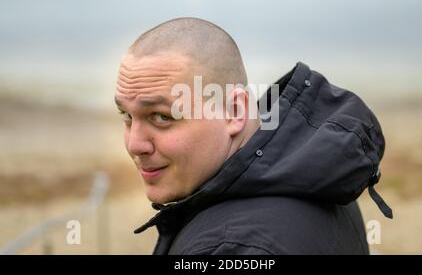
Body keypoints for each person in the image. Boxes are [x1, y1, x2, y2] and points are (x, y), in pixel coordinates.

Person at [114, 17, 392, 255]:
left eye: (162, 117)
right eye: (127, 116)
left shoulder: (231, 248)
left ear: (235, 112)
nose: (135, 144)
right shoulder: (312, 173)